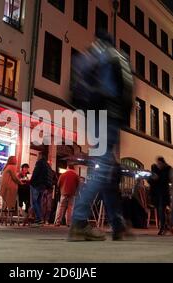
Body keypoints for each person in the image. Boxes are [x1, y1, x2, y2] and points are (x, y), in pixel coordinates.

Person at [68, 30, 134, 241]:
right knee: (104, 169)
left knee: (107, 170)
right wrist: (124, 116)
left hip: (92, 116)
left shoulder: (88, 55)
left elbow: (75, 88)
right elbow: (126, 88)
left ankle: (117, 223)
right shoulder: (116, 55)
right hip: (110, 116)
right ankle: (79, 221)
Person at [149, 157, 172, 235]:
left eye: (160, 163)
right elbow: (150, 180)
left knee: (161, 210)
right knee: (160, 210)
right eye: (158, 163)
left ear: (163, 163)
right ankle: (166, 226)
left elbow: (168, 180)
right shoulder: (154, 168)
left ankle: (163, 227)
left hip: (163, 193)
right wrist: (152, 178)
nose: (159, 164)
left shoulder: (168, 169)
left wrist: (158, 178)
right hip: (156, 193)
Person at [30, 153, 54, 227]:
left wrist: (31, 182)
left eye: (37, 156)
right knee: (39, 201)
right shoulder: (48, 166)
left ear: (40, 156)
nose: (37, 157)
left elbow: (35, 173)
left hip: (37, 184)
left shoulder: (40, 163)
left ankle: (39, 218)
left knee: (34, 201)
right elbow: (50, 177)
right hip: (43, 186)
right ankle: (39, 219)